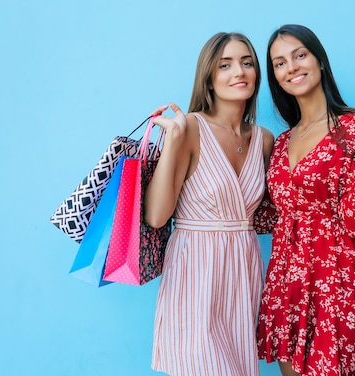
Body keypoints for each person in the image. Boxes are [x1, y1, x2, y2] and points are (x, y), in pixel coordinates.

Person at [256, 24, 355, 376]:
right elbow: (269, 217)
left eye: (299, 55)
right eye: (279, 63)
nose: (292, 67)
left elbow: (353, 222)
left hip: (335, 277)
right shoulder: (283, 141)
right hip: (285, 281)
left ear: (319, 60)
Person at [145, 32, 275, 376]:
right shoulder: (189, 128)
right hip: (195, 274)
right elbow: (157, 216)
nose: (239, 72)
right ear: (210, 78)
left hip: (243, 274)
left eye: (247, 63)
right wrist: (172, 141)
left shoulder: (263, 140)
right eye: (225, 65)